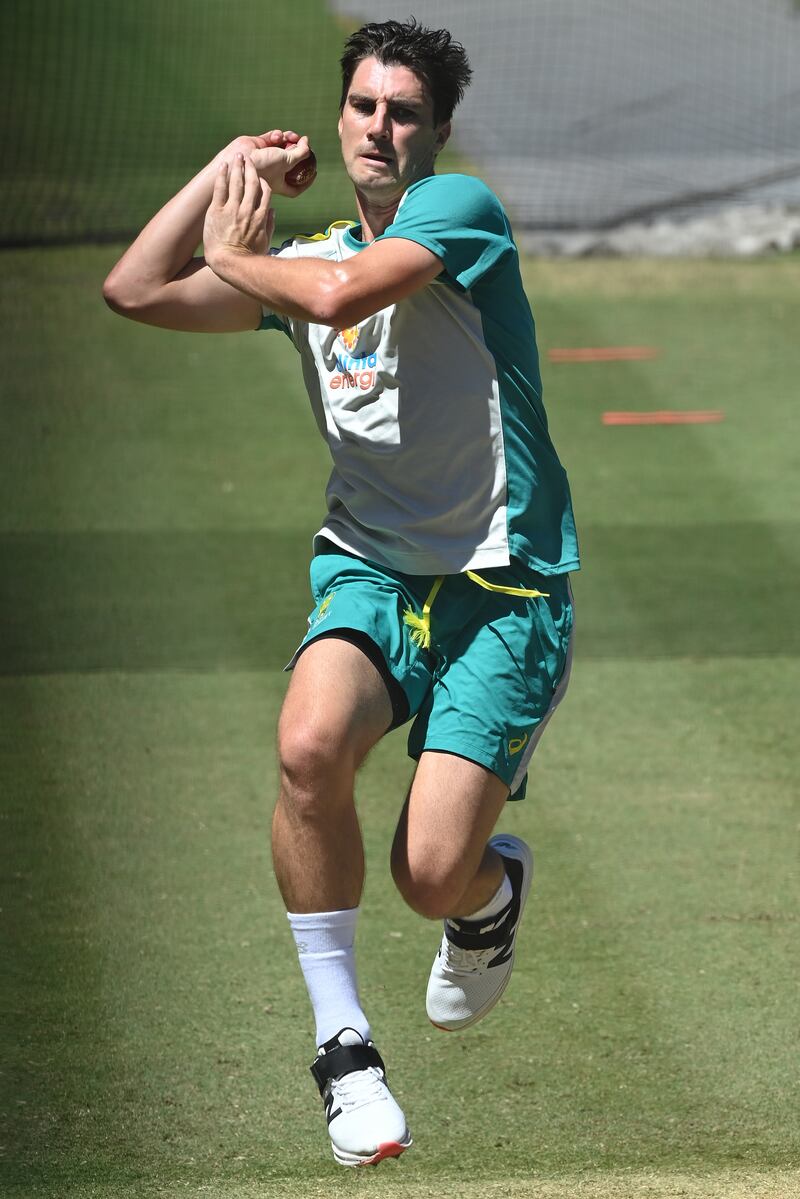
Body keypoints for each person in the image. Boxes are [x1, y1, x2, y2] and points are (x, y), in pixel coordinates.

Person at [104, 17, 579, 1170]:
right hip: (366, 564)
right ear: (338, 116)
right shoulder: (298, 254)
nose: (379, 127)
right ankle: (342, 1047)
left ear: (437, 132)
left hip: (501, 586)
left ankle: (485, 889)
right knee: (308, 744)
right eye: (362, 105)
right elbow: (131, 288)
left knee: (428, 877)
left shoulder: (458, 215)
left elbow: (340, 297)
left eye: (402, 111)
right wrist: (228, 171)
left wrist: (236, 255)